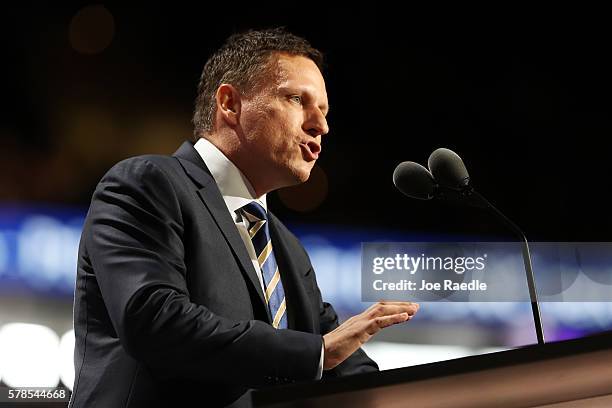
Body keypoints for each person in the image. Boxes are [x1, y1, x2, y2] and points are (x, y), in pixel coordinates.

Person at [69, 28, 419, 408]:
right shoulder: (148, 184)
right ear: (230, 103)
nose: (321, 125)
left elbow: (345, 366)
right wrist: (313, 353)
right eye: (298, 100)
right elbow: (153, 321)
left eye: (324, 111)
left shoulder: (286, 249)